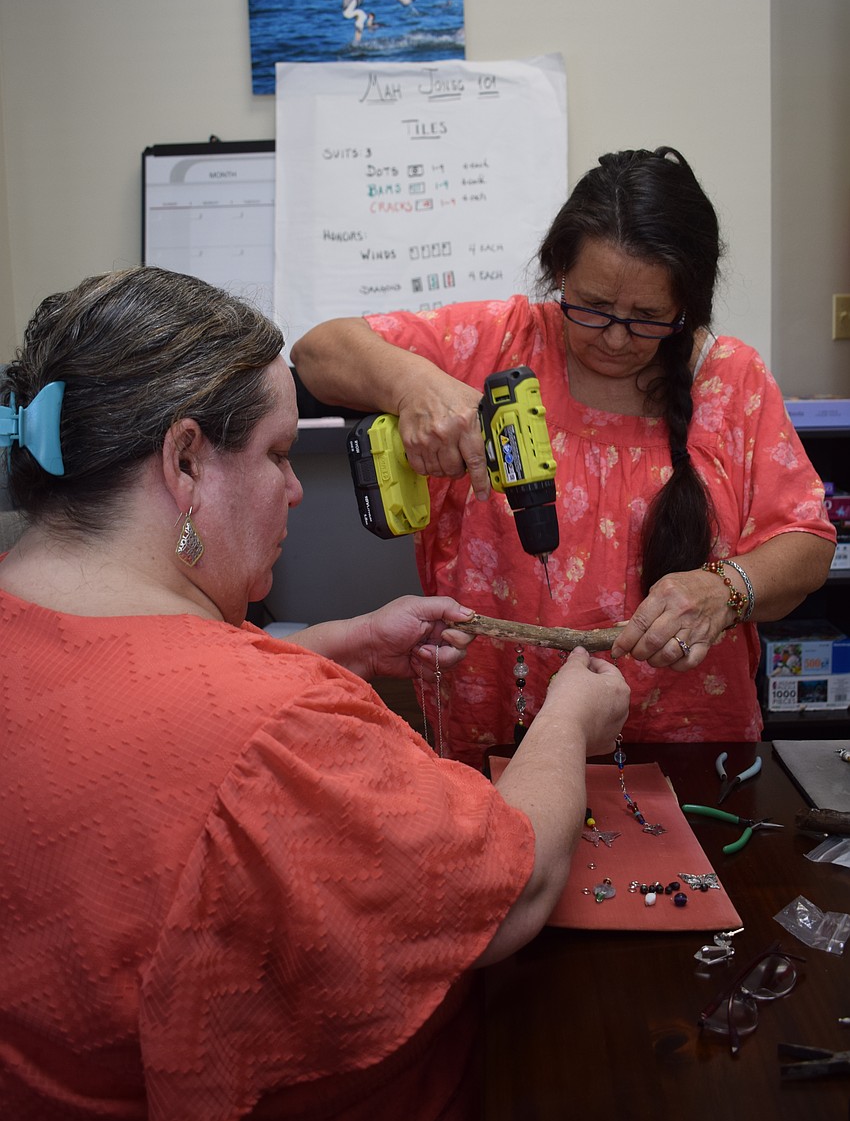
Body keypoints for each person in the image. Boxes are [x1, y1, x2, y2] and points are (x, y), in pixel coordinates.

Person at [0, 266, 629, 1120]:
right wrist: (566, 719)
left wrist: (339, 644)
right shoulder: (274, 724)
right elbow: (513, 886)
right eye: (280, 454)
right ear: (185, 459)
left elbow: (133, 682)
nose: (296, 488)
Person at [291, 146, 836, 768]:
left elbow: (807, 542)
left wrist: (726, 590)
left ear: (688, 305)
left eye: (649, 317)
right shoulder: (500, 340)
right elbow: (316, 353)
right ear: (559, 274)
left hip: (690, 739)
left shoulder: (729, 378)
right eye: (593, 306)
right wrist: (413, 384)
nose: (614, 337)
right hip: (499, 725)